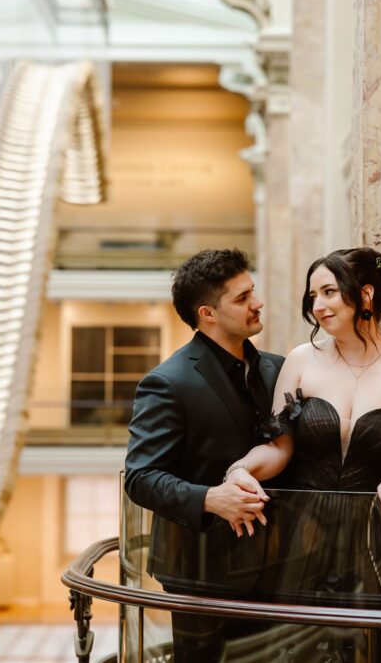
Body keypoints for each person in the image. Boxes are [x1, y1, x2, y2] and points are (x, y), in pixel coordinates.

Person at [224, 247, 381, 659]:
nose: (318, 306)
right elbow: (279, 447)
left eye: (328, 292)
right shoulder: (300, 360)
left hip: (380, 534)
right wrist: (240, 469)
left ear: (364, 295)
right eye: (313, 296)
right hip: (305, 533)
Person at [124, 248, 284, 663]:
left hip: (284, 568)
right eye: (242, 297)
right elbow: (140, 477)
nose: (257, 302)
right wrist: (211, 498)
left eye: (254, 291)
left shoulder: (281, 369)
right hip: (201, 574)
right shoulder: (166, 382)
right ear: (207, 313)